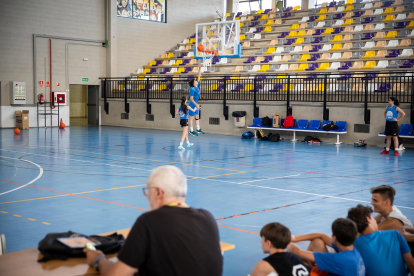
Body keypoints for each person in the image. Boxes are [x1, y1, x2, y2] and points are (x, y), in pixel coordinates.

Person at [84, 165, 223, 276]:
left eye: (148, 190)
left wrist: (98, 259)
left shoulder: (149, 222)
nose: (147, 196)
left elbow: (117, 274)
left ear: (158, 192)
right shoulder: (208, 218)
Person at [347, 204, 414, 276]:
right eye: (372, 217)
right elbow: (412, 266)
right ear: (368, 219)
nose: (375, 221)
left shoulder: (353, 246)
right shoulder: (394, 234)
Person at [287, 218, 365, 276]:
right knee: (317, 242)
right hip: (342, 269)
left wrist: (286, 240)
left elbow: (296, 251)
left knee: (297, 261)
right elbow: (322, 236)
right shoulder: (353, 249)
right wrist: (296, 238)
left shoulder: (337, 259)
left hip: (339, 264)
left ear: (334, 238)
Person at [188, 62, 203, 136]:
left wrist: (200, 68)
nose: (196, 81)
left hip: (196, 103)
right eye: (195, 81)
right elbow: (191, 98)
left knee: (197, 116)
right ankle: (191, 130)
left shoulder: (198, 85)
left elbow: (199, 76)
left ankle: (198, 129)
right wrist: (196, 105)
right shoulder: (192, 89)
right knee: (191, 118)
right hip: (192, 104)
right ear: (193, 84)